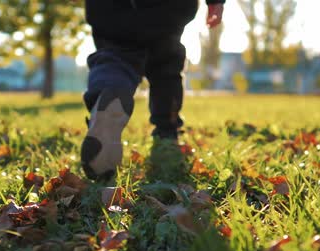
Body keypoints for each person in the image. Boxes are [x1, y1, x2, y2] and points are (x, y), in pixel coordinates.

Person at [81, 0, 225, 180]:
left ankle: (108, 91)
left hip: (112, 12)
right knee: (166, 72)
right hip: (167, 12)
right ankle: (166, 134)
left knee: (114, 60)